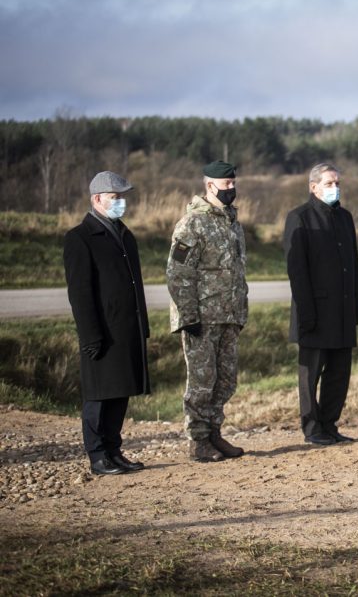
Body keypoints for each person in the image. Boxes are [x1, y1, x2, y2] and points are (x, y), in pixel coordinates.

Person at [63, 171, 149, 475]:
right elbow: (80, 294)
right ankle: (97, 455)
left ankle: (114, 450)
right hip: (101, 332)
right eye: (115, 198)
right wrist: (91, 335)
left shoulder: (124, 234)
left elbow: (134, 284)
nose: (121, 203)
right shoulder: (80, 238)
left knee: (120, 392)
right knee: (99, 395)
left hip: (126, 330)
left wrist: (143, 328)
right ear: (97, 199)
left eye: (122, 197)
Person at [166, 160, 249, 462]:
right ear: (209, 185)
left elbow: (238, 271)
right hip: (202, 318)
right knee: (202, 381)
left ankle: (214, 433)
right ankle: (198, 441)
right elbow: (178, 273)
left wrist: (241, 311)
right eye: (226, 184)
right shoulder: (192, 223)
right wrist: (188, 317)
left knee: (226, 380)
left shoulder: (232, 222)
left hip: (229, 316)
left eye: (233, 183)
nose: (232, 189)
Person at [283, 163, 358, 446]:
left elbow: (353, 264)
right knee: (310, 373)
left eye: (337, 183)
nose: (335, 188)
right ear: (313, 187)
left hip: (343, 310)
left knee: (339, 372)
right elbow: (297, 271)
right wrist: (306, 312)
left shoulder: (345, 217)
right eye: (329, 183)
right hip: (315, 311)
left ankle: (330, 424)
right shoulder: (300, 217)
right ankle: (312, 427)